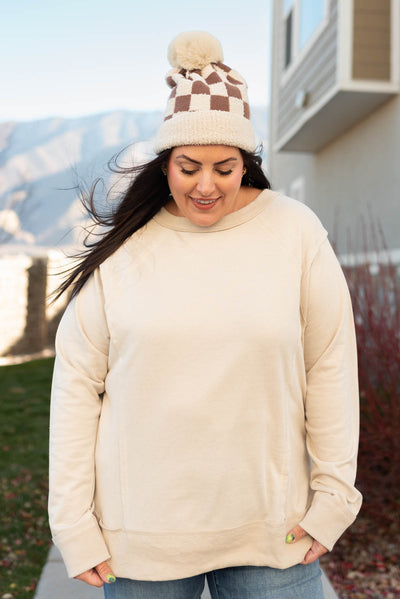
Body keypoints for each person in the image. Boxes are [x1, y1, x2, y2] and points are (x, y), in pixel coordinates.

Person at [48, 31, 362, 599]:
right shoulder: (126, 251)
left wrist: (335, 497)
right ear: (165, 163)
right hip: (141, 542)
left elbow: (331, 366)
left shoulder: (294, 231)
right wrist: (73, 523)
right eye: (189, 166)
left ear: (248, 163)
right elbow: (76, 390)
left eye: (226, 167)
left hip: (275, 534)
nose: (207, 185)